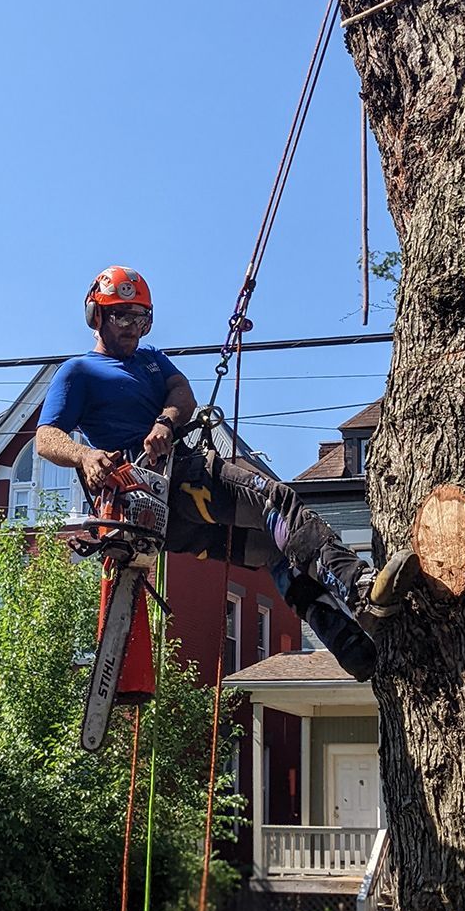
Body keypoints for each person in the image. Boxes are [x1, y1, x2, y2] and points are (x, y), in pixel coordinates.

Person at [35, 266, 419, 681]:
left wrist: (165, 421)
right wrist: (86, 456)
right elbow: (46, 437)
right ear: (97, 316)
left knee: (274, 549)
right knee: (276, 503)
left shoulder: (151, 361)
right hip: (154, 488)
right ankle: (358, 588)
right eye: (122, 316)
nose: (133, 328)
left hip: (172, 495)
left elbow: (182, 393)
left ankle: (353, 648)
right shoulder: (78, 371)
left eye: (141, 318)